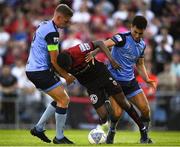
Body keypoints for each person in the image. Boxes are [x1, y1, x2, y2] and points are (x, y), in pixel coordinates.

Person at [34, 40, 152, 144]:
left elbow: (100, 43)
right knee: (103, 115)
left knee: (123, 102)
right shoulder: (60, 66)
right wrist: (65, 77)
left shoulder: (78, 50)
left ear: (71, 57)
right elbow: (55, 70)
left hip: (103, 75)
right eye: (68, 68)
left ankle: (142, 130)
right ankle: (107, 131)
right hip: (91, 86)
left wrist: (111, 60)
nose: (71, 68)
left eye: (71, 65)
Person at [86, 15, 155, 144]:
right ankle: (111, 132)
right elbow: (104, 44)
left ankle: (144, 136)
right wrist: (94, 53)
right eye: (135, 32)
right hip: (114, 82)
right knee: (117, 114)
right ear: (131, 27)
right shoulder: (122, 38)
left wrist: (146, 79)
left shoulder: (142, 45)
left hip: (130, 82)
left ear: (144, 31)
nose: (137, 36)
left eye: (140, 33)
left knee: (146, 110)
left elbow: (139, 64)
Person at [25, 4, 75, 144]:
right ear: (59, 17)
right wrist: (66, 76)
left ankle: (39, 128)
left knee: (59, 99)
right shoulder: (52, 33)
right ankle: (59, 137)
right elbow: (54, 60)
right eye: (66, 21)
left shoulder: (44, 24)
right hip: (40, 71)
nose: (67, 24)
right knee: (64, 100)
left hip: (35, 69)